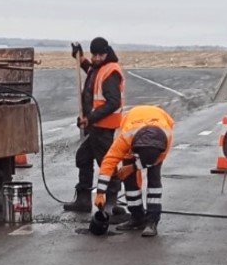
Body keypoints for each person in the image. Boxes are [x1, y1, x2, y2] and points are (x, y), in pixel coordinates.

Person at [87, 104, 174, 237]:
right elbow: (109, 161)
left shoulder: (165, 139)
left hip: (157, 131)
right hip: (134, 127)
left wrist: (133, 167)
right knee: (130, 181)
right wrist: (100, 193)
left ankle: (152, 221)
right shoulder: (126, 137)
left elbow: (153, 161)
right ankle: (137, 218)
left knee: (154, 181)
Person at [69, 37, 125, 210]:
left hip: (104, 127)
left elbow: (113, 102)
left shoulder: (111, 72)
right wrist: (80, 58)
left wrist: (90, 118)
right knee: (84, 157)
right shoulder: (99, 68)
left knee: (107, 164)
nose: (96, 58)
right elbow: (91, 71)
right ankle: (84, 200)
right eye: (94, 55)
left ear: (107, 53)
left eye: (100, 55)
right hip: (95, 127)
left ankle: (112, 203)